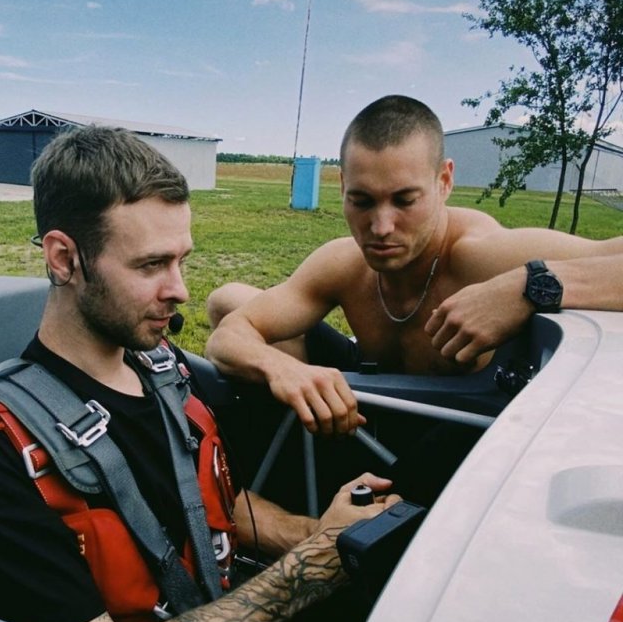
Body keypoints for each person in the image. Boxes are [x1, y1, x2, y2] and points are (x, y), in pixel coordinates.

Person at [0, 124, 398, 622]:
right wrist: (311, 567)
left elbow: (209, 504)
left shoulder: (166, 375)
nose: (180, 290)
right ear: (64, 259)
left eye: (181, 260)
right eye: (150, 265)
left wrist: (324, 534)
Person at [205, 94, 623, 438]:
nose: (380, 227)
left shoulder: (483, 253)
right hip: (360, 415)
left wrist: (532, 283)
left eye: (405, 201)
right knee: (230, 299)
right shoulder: (344, 263)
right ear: (343, 187)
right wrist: (285, 371)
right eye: (362, 201)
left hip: (455, 433)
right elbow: (228, 337)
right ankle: (298, 446)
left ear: (444, 182)